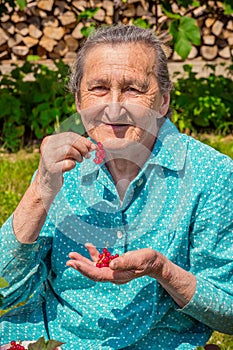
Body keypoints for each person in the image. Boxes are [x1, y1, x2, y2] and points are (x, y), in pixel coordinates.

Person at [0, 25, 232, 350]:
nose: (113, 108)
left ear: (163, 101)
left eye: (133, 89)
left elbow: (228, 311)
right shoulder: (60, 167)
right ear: (78, 100)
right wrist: (40, 190)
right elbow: (5, 290)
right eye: (97, 89)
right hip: (51, 340)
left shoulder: (210, 174)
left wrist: (161, 270)